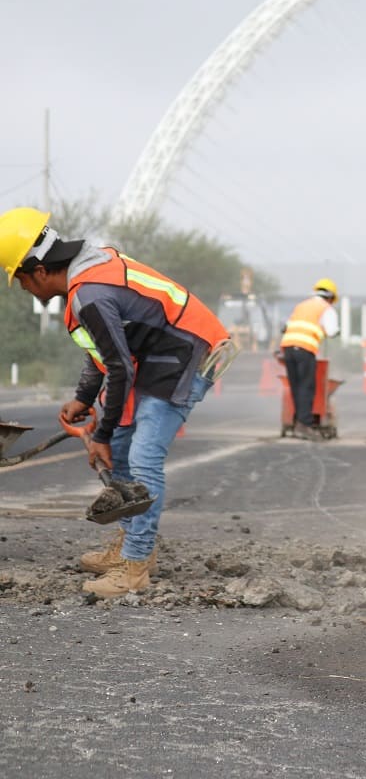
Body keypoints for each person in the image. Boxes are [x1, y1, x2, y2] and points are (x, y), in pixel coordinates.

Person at [0, 207, 233, 598]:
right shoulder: (91, 270)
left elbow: (119, 367)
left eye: (20, 281)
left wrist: (101, 435)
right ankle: (131, 547)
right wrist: (83, 399)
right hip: (161, 355)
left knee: (141, 458)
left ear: (39, 271)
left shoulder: (89, 293)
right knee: (122, 446)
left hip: (188, 355)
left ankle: (136, 567)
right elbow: (103, 352)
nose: (24, 291)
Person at [280, 278, 340, 439]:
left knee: (296, 387)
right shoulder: (326, 308)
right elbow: (332, 330)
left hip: (288, 348)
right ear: (331, 297)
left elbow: (285, 326)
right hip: (305, 349)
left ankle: (298, 421)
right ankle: (304, 425)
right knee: (307, 387)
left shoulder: (301, 306)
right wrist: (335, 331)